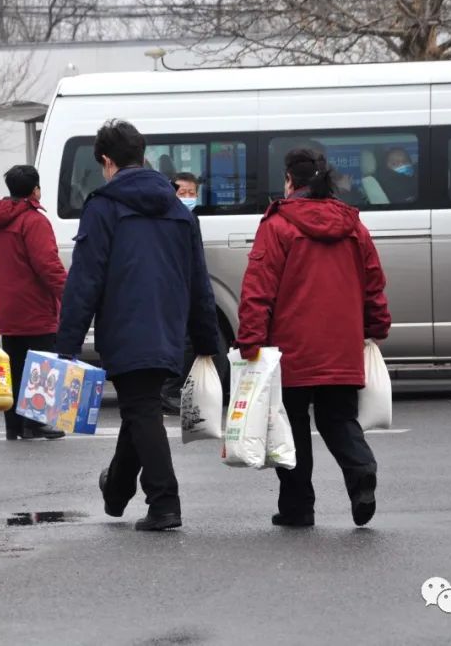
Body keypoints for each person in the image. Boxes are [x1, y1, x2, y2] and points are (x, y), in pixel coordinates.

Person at [56, 119, 220, 532]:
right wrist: (205, 338)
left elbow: (86, 279)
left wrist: (68, 344)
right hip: (169, 328)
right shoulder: (178, 209)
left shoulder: (104, 206)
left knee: (142, 409)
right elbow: (198, 279)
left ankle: (164, 501)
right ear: (142, 155)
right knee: (139, 408)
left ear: (107, 161)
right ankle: (116, 490)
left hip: (124, 327)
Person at [237, 148, 391, 528]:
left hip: (291, 350)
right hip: (342, 347)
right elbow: (373, 282)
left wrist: (250, 341)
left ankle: (297, 507)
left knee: (290, 426)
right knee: (338, 418)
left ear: (290, 180)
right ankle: (361, 472)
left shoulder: (277, 224)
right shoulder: (353, 225)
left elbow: (258, 289)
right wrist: (376, 326)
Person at [0, 164, 67, 441]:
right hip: (35, 306)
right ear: (35, 190)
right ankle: (36, 422)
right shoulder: (34, 221)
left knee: (16, 366)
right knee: (41, 364)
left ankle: (14, 425)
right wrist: (69, 295)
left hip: (7, 308)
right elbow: (48, 265)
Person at [160, 171, 205, 416]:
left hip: (183, 287)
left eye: (192, 193)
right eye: (182, 193)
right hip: (175, 289)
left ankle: (170, 390)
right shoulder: (173, 218)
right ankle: (169, 390)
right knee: (184, 342)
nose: (188, 197)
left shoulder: (190, 218)